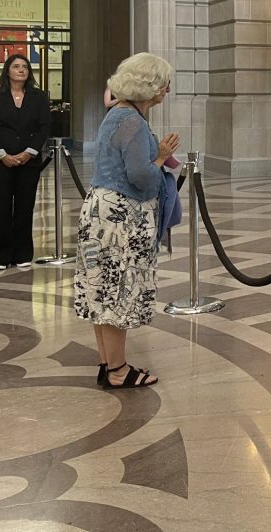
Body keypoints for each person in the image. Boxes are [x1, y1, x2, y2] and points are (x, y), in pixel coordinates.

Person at [73, 53, 180, 389]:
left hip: (102, 211)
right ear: (148, 85)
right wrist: (161, 156)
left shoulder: (117, 114)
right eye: (163, 83)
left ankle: (108, 364)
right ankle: (118, 370)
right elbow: (142, 178)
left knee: (102, 291)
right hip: (120, 217)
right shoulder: (131, 120)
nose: (166, 90)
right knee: (117, 291)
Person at [0, 54, 51, 271]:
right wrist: (2, 154)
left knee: (24, 208)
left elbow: (44, 126)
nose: (21, 70)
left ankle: (22, 253)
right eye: (16, 66)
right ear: (8, 71)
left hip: (28, 162)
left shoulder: (38, 97)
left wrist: (29, 152)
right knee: (0, 209)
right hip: (0, 162)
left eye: (25, 67)